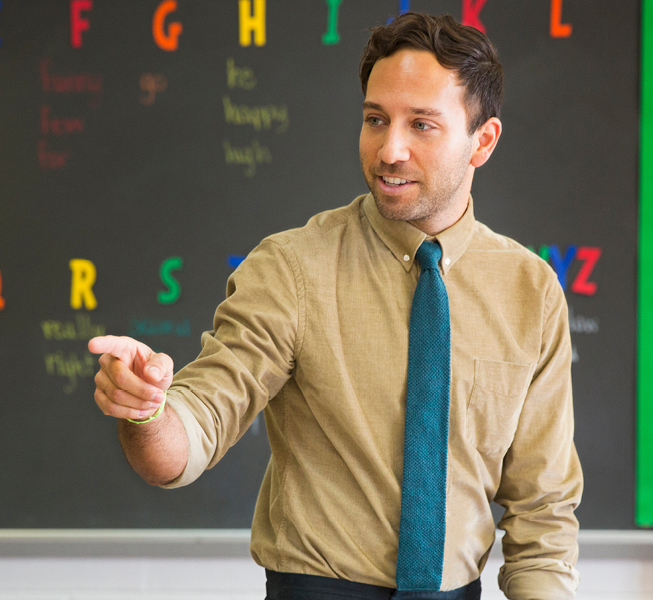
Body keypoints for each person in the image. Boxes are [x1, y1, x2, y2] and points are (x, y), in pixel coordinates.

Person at [89, 12, 582, 600]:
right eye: (376, 119)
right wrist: (146, 411)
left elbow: (543, 511)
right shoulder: (291, 269)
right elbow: (195, 430)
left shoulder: (531, 291)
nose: (390, 149)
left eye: (421, 125)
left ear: (483, 141)